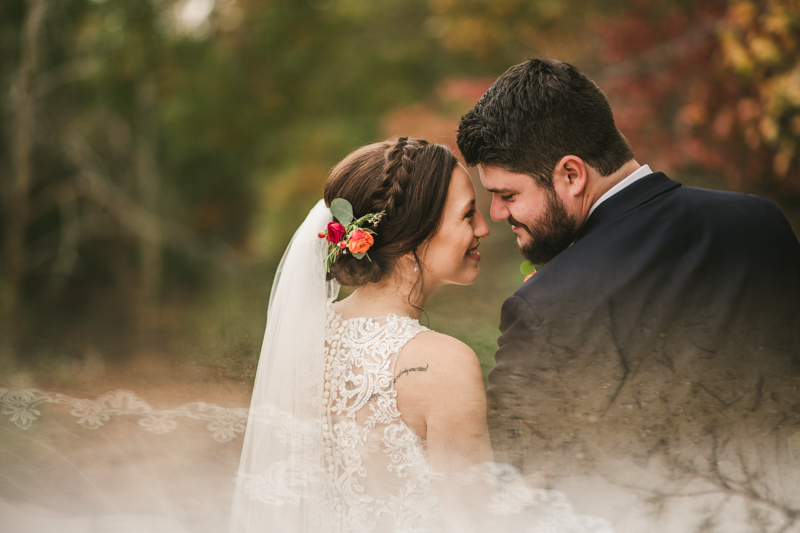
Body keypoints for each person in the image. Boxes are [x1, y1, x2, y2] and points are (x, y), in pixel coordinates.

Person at [456, 58, 800, 531]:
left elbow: (515, 479)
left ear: (572, 175)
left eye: (508, 195)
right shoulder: (762, 223)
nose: (496, 213)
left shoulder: (544, 307)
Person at [229, 137, 616, 533]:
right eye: (467, 215)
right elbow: (480, 522)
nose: (484, 226)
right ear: (413, 239)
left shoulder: (306, 337)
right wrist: (557, 465)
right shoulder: (443, 364)